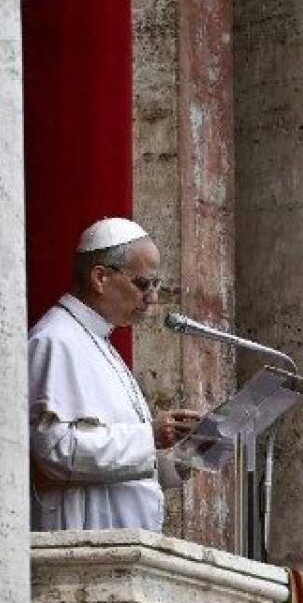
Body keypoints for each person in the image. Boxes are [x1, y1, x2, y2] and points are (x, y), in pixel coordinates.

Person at [28, 217, 201, 531]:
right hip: (83, 538)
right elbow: (54, 450)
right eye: (143, 283)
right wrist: (149, 436)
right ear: (100, 278)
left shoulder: (101, 344)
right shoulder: (55, 340)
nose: (152, 297)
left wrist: (187, 455)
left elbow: (125, 463)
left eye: (156, 284)